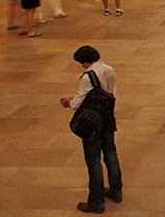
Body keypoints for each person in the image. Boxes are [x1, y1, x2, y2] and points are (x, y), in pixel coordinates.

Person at [59, 45, 123, 214]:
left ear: (86, 62)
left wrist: (67, 101)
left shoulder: (89, 76)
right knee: (111, 154)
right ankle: (116, 191)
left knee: (93, 161)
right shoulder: (109, 69)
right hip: (108, 118)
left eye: (82, 64)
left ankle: (96, 202)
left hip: (94, 123)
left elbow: (76, 104)